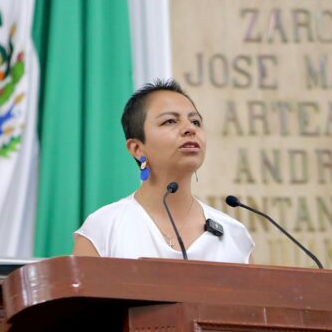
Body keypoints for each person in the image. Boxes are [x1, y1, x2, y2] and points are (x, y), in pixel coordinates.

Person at [73, 79, 254, 263]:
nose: (190, 129)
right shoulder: (103, 229)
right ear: (137, 148)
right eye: (170, 121)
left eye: (196, 122)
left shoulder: (234, 235)